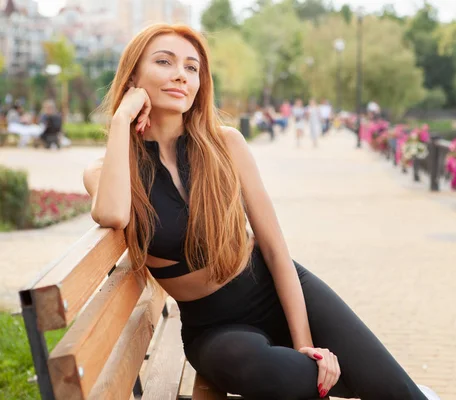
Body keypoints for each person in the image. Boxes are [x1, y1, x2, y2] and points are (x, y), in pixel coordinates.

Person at [83, 23, 436, 400]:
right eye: (164, 62)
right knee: (284, 377)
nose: (180, 76)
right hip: (216, 328)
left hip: (275, 288)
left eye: (191, 67)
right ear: (134, 75)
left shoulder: (226, 144)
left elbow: (274, 248)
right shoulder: (106, 172)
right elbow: (113, 214)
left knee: (398, 390)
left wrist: (306, 345)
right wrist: (121, 119)